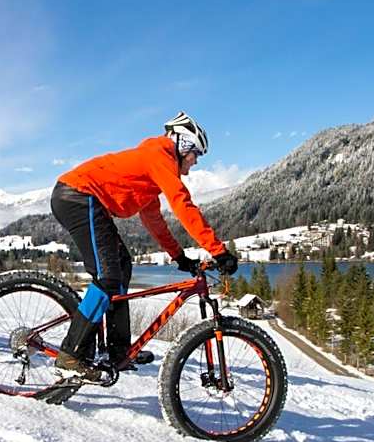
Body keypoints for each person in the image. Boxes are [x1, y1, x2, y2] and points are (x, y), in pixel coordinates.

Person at [50, 111, 239, 382]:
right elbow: (182, 204)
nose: (196, 161)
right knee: (107, 278)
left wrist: (179, 256)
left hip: (87, 201)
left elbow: (154, 221)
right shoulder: (158, 155)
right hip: (78, 196)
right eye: (195, 153)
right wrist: (218, 250)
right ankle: (70, 355)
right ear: (182, 144)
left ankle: (118, 352)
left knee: (122, 267)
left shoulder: (151, 172)